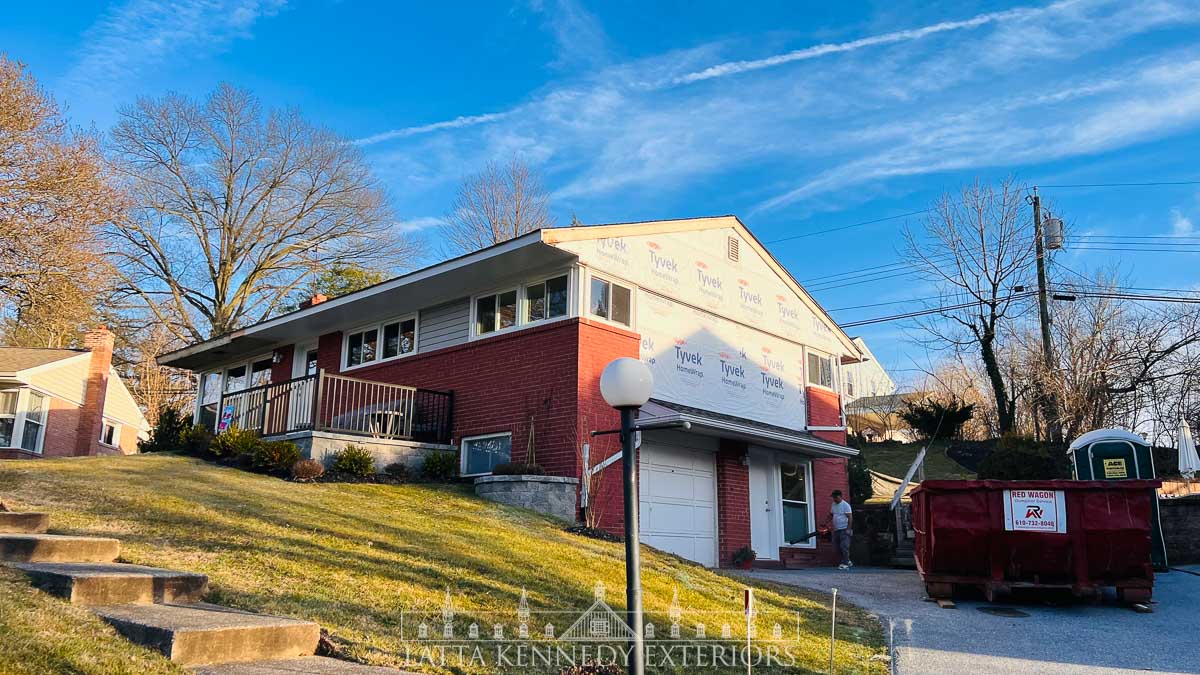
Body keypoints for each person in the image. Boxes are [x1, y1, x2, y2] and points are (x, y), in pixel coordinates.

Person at [823, 489, 853, 569]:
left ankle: (845, 564)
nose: (834, 499)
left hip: (844, 529)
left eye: (835, 497)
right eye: (833, 497)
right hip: (836, 529)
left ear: (840, 496)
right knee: (836, 547)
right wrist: (825, 522)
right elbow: (831, 515)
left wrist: (848, 529)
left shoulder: (845, 505)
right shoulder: (833, 504)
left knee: (844, 547)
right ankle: (848, 561)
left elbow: (850, 517)